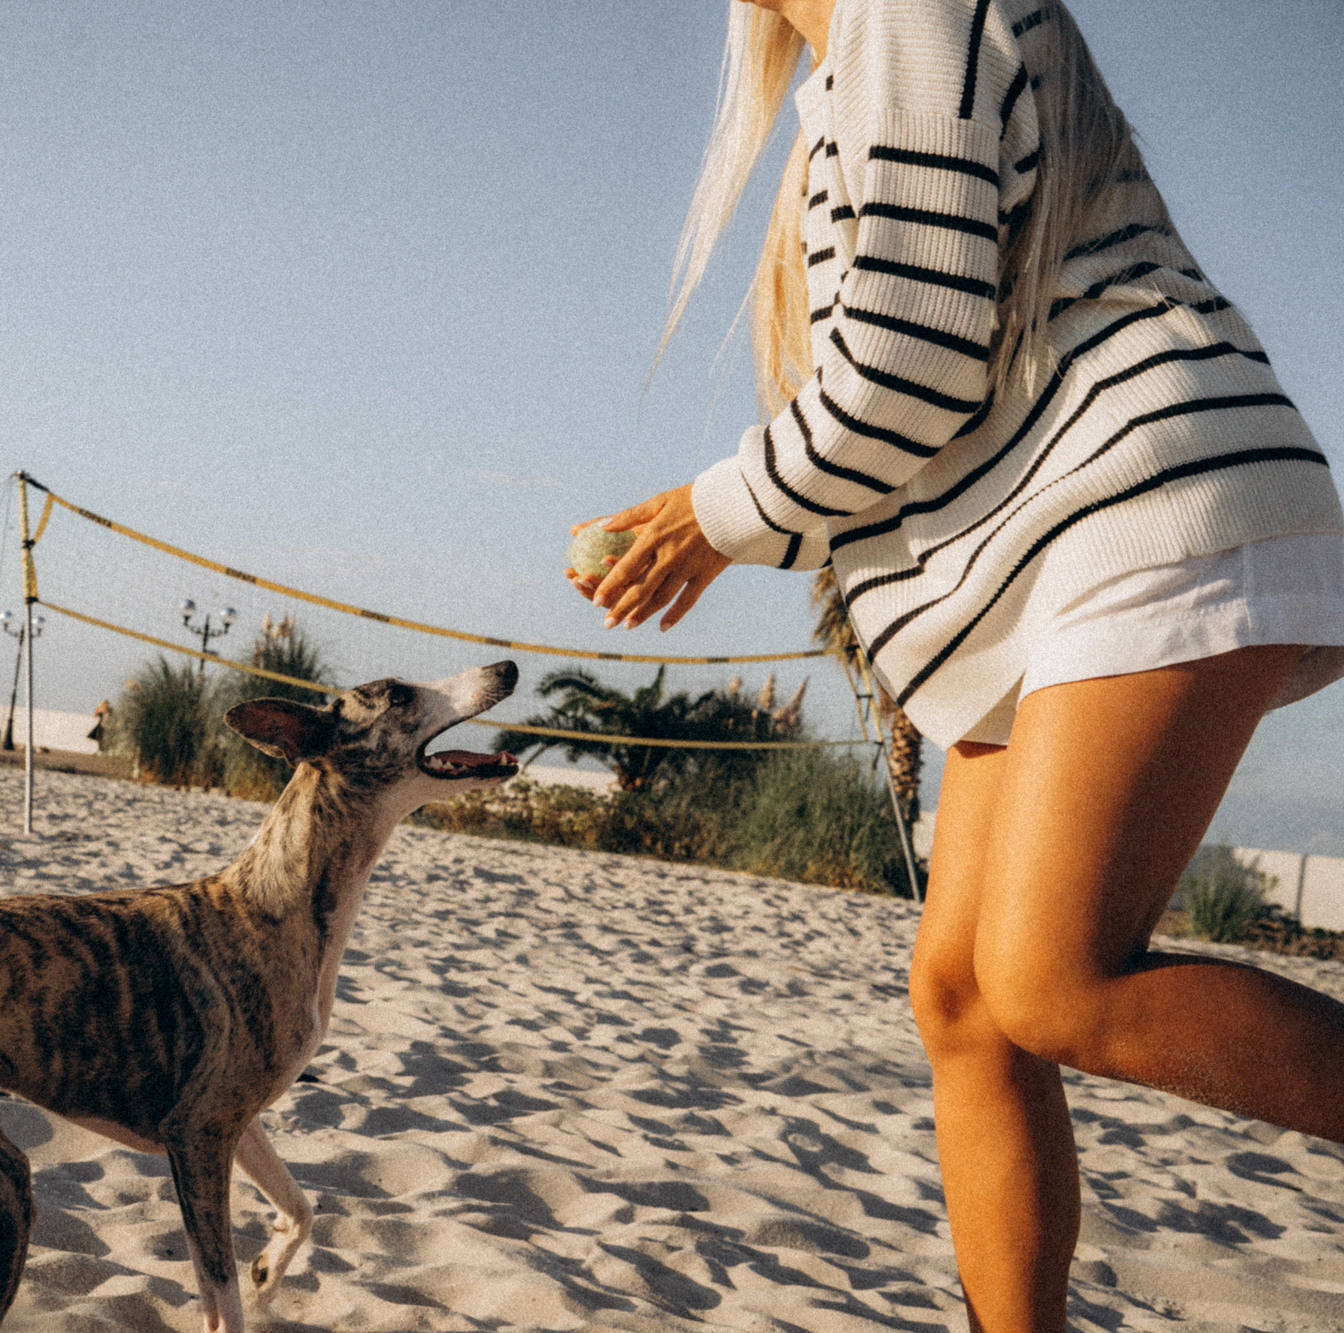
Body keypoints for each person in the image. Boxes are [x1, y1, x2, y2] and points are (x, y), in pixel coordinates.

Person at [570, 2, 1344, 1329]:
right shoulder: (847, 70)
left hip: (1143, 499)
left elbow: (909, 368)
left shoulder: (901, 9)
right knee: (965, 998)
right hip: (1047, 554)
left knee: (1050, 978)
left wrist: (713, 516)